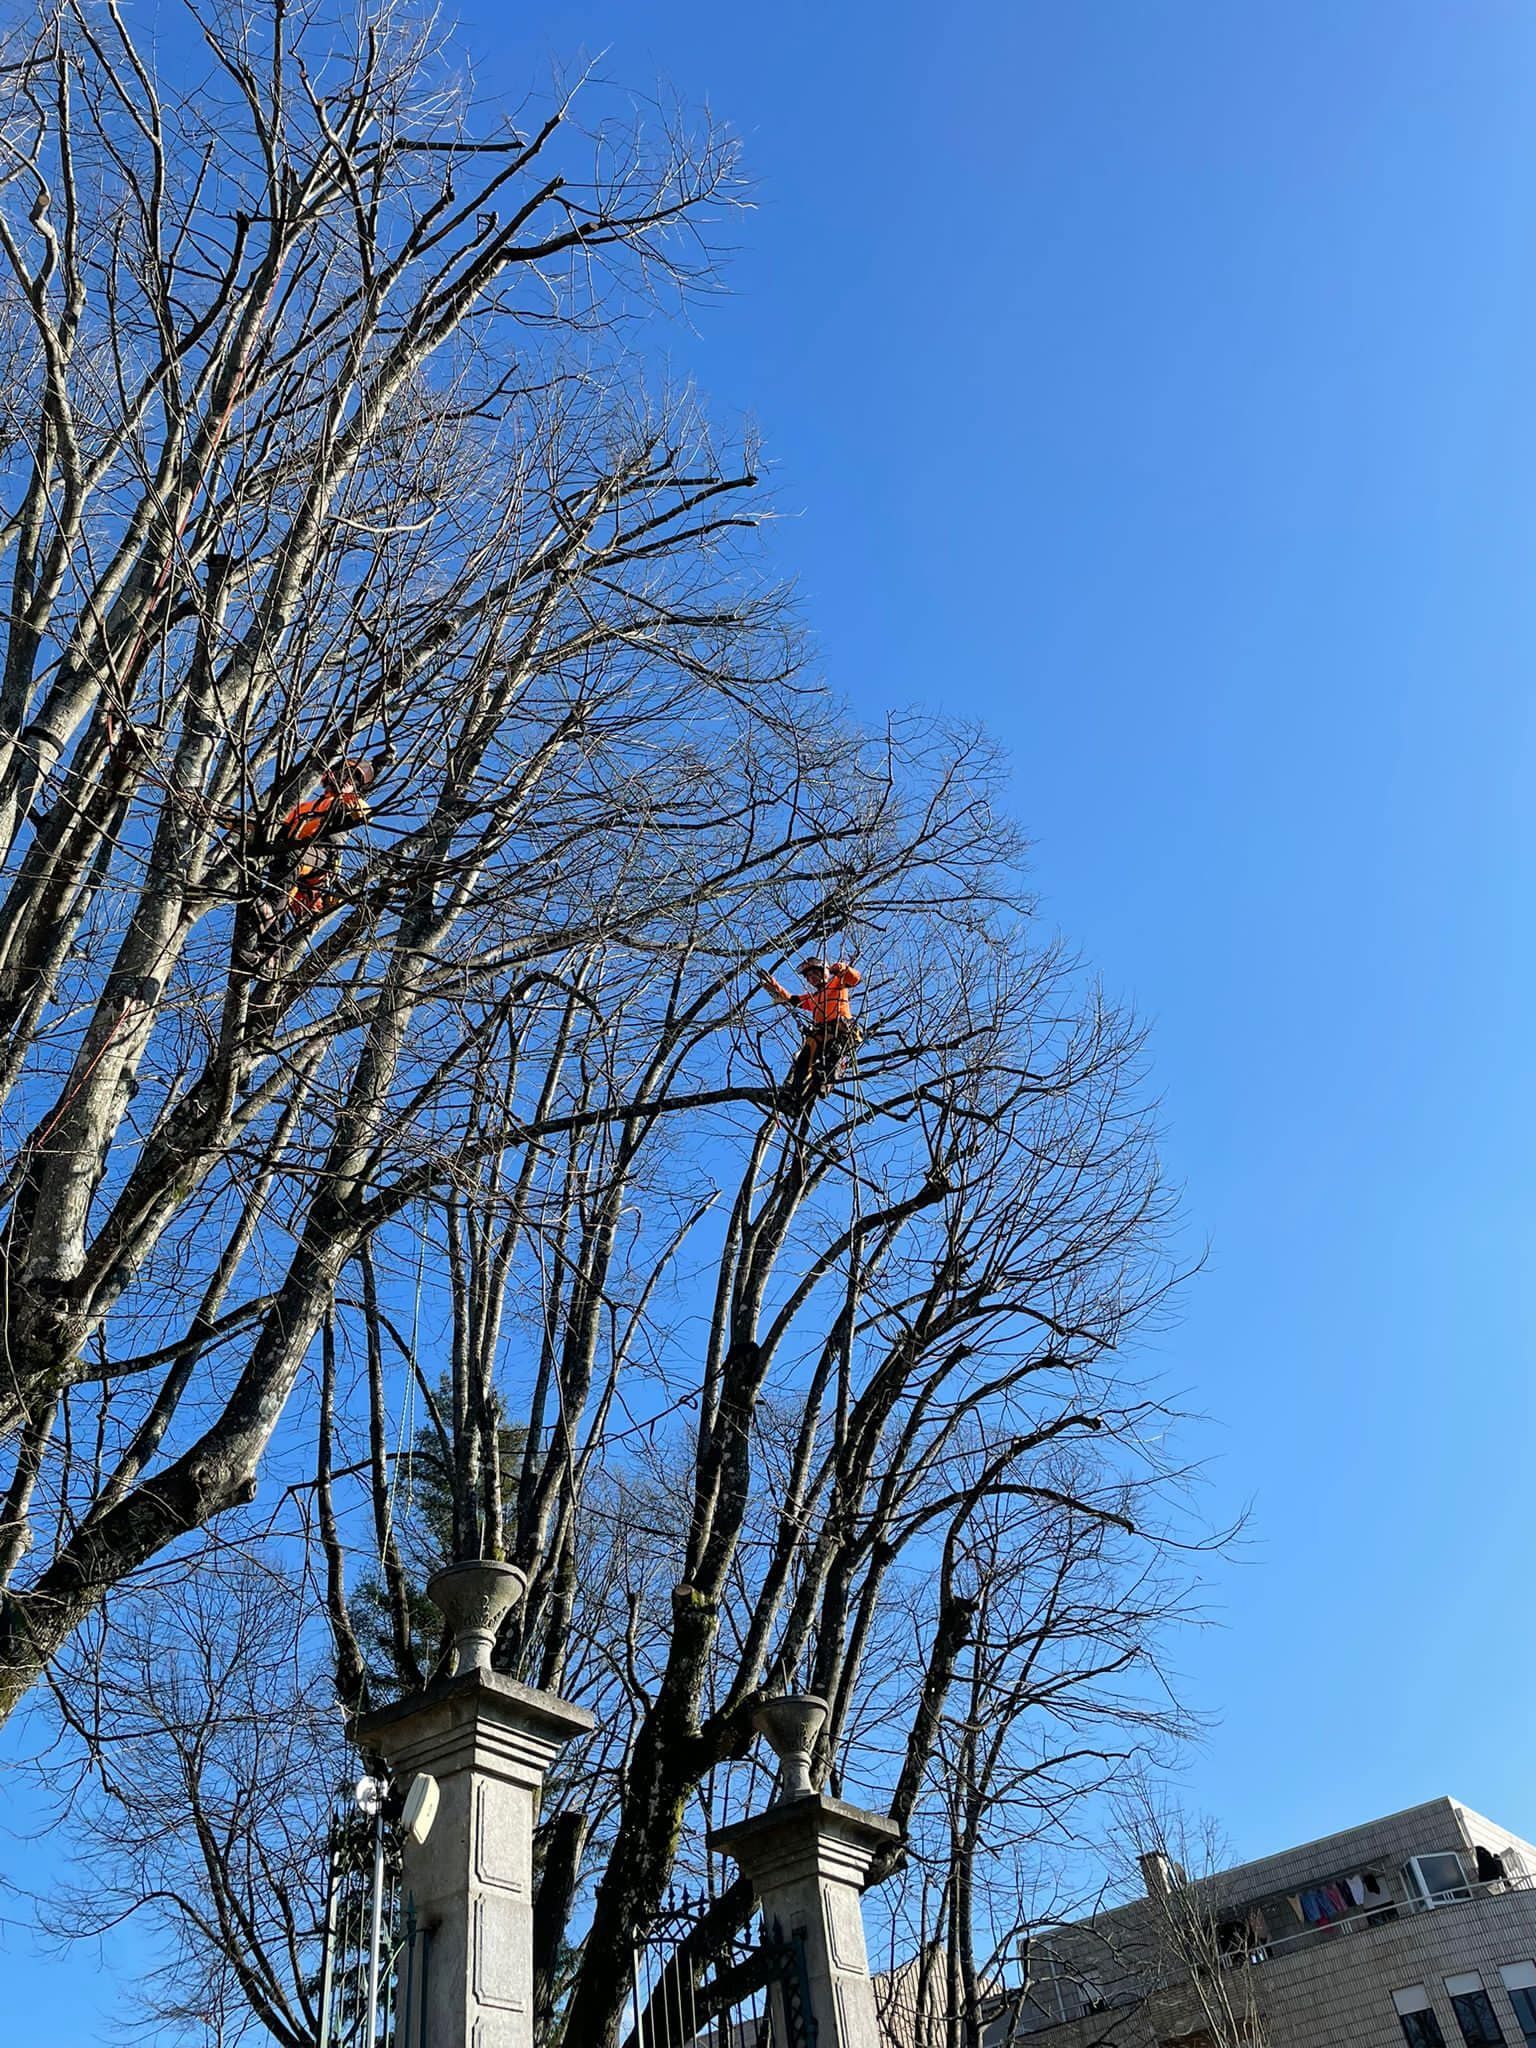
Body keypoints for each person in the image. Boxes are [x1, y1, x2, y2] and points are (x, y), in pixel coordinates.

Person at [238, 756, 376, 967]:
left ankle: (271, 908)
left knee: (290, 867)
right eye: (347, 774)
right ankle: (266, 956)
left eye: (355, 780)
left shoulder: (347, 804)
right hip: (292, 863)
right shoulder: (304, 806)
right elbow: (275, 830)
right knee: (275, 891)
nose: (349, 780)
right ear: (332, 774)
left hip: (321, 858)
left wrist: (350, 796)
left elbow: (365, 814)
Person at [758, 956, 862, 1111]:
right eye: (808, 977)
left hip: (840, 1030)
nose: (811, 979)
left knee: (832, 1055)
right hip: (819, 1034)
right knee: (803, 1060)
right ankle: (794, 1095)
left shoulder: (837, 982)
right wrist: (774, 986)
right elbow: (792, 999)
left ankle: (824, 1083)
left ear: (823, 972)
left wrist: (840, 968)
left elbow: (854, 978)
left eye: (814, 975)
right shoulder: (813, 998)